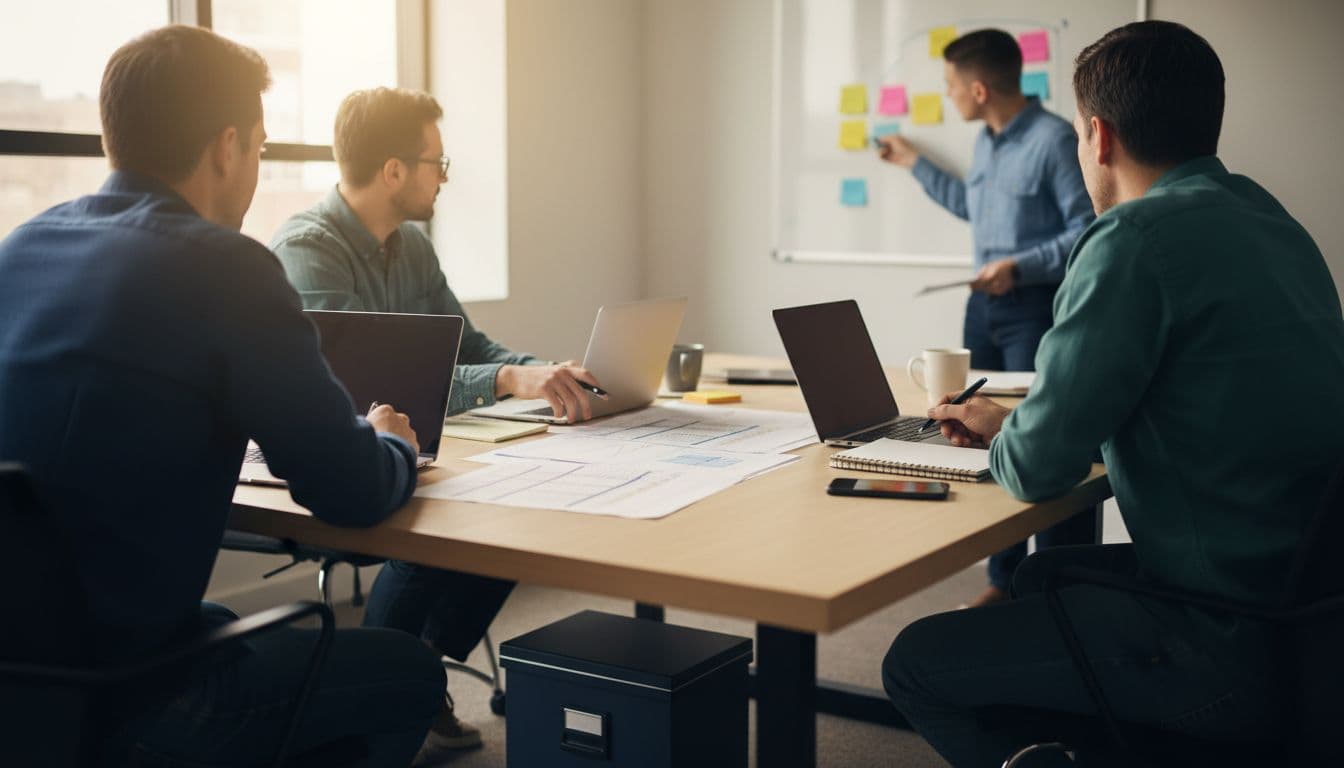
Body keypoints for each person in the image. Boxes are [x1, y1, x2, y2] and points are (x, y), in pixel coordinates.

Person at [881, 20, 1344, 767]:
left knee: (914, 662)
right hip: (1307, 613)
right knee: (1041, 573)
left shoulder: (1131, 238)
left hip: (1221, 636)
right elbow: (1190, 396)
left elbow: (1035, 471)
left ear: (1097, 137)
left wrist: (1012, 437)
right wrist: (1015, 422)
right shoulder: (1271, 220)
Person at [0, 26, 446, 766]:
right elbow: (349, 490)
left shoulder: (20, 249)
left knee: (220, 622)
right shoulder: (224, 267)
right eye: (261, 149)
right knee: (410, 671)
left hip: (26, 673)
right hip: (131, 691)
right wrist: (393, 445)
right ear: (228, 147)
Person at [270, 86, 601, 755]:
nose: (444, 178)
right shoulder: (308, 248)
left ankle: (416, 676)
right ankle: (384, 702)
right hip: (332, 456)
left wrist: (544, 371)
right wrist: (506, 381)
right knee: (434, 527)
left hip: (412, 444)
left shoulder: (412, 247)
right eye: (437, 163)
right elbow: (357, 388)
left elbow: (469, 347)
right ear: (394, 170)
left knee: (517, 507)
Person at [878, 28, 1097, 608]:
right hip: (982, 310)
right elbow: (969, 205)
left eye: (950, 86)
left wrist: (1019, 267)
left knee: (1040, 441)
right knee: (979, 435)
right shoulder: (986, 143)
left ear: (978, 89)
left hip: (1033, 308)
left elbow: (1087, 229)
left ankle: (1052, 590)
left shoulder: (1054, 140)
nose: (947, 96)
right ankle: (1004, 581)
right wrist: (915, 163)